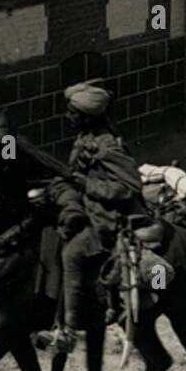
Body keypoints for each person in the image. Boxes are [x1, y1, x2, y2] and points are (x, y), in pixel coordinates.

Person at [41, 83, 159, 352]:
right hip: (90, 210)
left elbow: (130, 188)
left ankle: (68, 331)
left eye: (72, 113)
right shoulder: (85, 138)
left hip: (109, 220)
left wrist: (86, 184)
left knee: (72, 253)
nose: (67, 117)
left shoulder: (106, 147)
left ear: (86, 116)